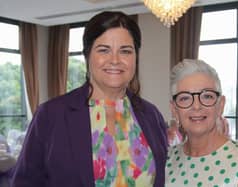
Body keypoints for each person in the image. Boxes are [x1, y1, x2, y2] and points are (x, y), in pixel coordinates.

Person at [11, 11, 168, 187]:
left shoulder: (151, 115)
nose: (115, 60)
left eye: (125, 51)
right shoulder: (51, 115)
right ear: (87, 55)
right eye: (104, 50)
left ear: (135, 57)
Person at [165, 59, 238, 187]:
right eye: (185, 98)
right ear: (174, 110)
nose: (196, 106)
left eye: (207, 96)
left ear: (220, 105)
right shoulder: (167, 159)